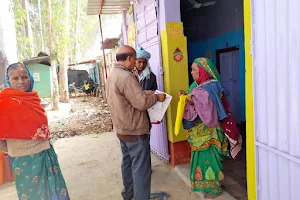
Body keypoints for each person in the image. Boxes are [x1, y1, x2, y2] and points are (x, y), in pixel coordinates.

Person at [0, 63, 70, 200]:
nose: (21, 82)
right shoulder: (3, 103)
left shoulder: (33, 99)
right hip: (23, 159)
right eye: (15, 78)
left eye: (25, 77)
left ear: (30, 78)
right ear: (8, 81)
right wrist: (15, 149)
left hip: (45, 154)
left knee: (55, 192)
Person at [106, 45, 166, 200]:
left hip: (122, 129)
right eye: (135, 59)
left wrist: (145, 93)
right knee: (141, 169)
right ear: (129, 58)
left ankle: (129, 194)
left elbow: (126, 98)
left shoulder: (113, 74)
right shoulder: (127, 77)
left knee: (127, 163)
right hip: (135, 130)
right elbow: (141, 103)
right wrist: (156, 98)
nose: (136, 63)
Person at [178, 58, 241, 199]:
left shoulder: (211, 85)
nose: (192, 72)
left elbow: (206, 102)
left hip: (211, 131)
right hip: (200, 131)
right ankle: (205, 185)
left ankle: (214, 188)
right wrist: (185, 95)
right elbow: (192, 96)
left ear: (203, 71)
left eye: (194, 70)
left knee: (212, 158)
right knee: (201, 158)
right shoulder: (198, 84)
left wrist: (190, 99)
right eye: (192, 69)